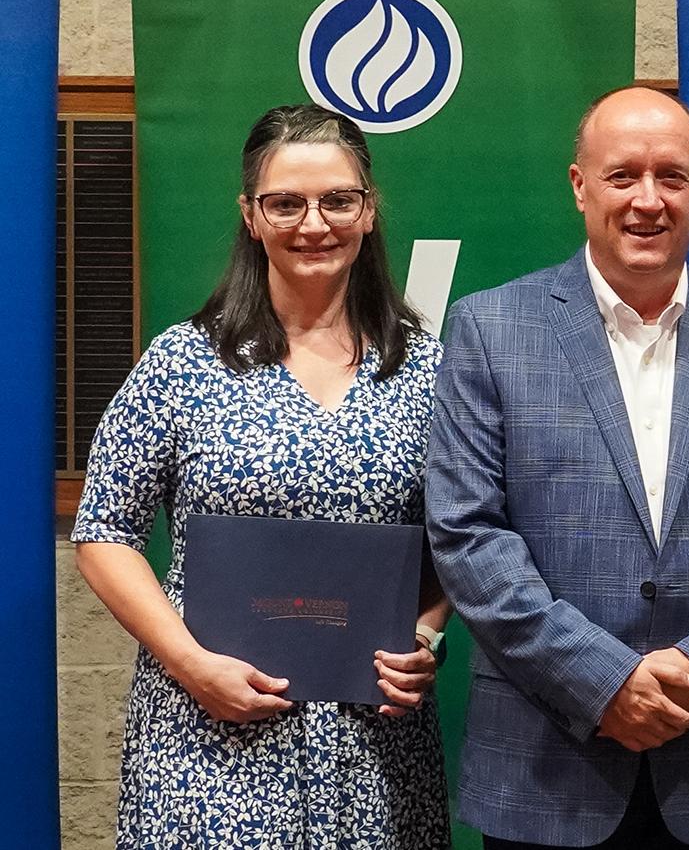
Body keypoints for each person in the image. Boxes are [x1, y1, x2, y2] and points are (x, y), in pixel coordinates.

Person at [426, 85, 689, 850]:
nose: (647, 200)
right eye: (622, 176)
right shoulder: (489, 328)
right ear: (580, 185)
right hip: (544, 770)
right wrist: (603, 681)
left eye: (670, 177)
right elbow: (468, 536)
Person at [73, 104, 451, 848]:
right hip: (208, 739)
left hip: (371, 745)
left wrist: (427, 638)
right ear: (250, 215)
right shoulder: (184, 362)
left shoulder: (426, 369)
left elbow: (458, 539)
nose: (315, 223)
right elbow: (104, 531)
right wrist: (189, 665)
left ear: (369, 211)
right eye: (286, 203)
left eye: (338, 199)